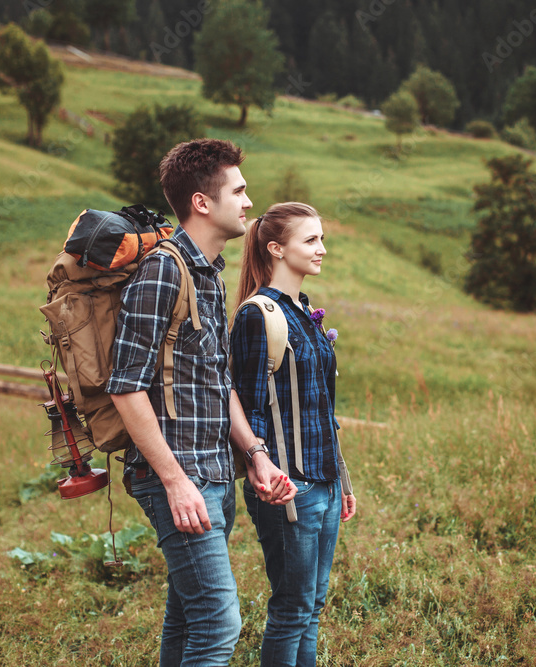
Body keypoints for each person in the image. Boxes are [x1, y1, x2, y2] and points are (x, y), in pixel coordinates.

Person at [107, 139, 295, 667]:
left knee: (188, 618)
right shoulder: (163, 271)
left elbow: (218, 380)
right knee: (219, 621)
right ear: (202, 202)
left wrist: (255, 453)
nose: (249, 202)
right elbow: (125, 386)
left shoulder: (206, 274)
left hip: (213, 472)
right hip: (178, 476)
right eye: (238, 190)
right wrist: (173, 481)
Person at [231, 202, 358, 667]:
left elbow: (322, 410)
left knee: (313, 606)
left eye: (322, 238)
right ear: (276, 248)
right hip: (288, 488)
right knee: (291, 609)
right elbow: (243, 406)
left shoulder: (304, 312)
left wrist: (340, 480)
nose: (322, 249)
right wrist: (263, 472)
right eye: (311, 240)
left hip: (321, 483)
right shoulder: (257, 316)